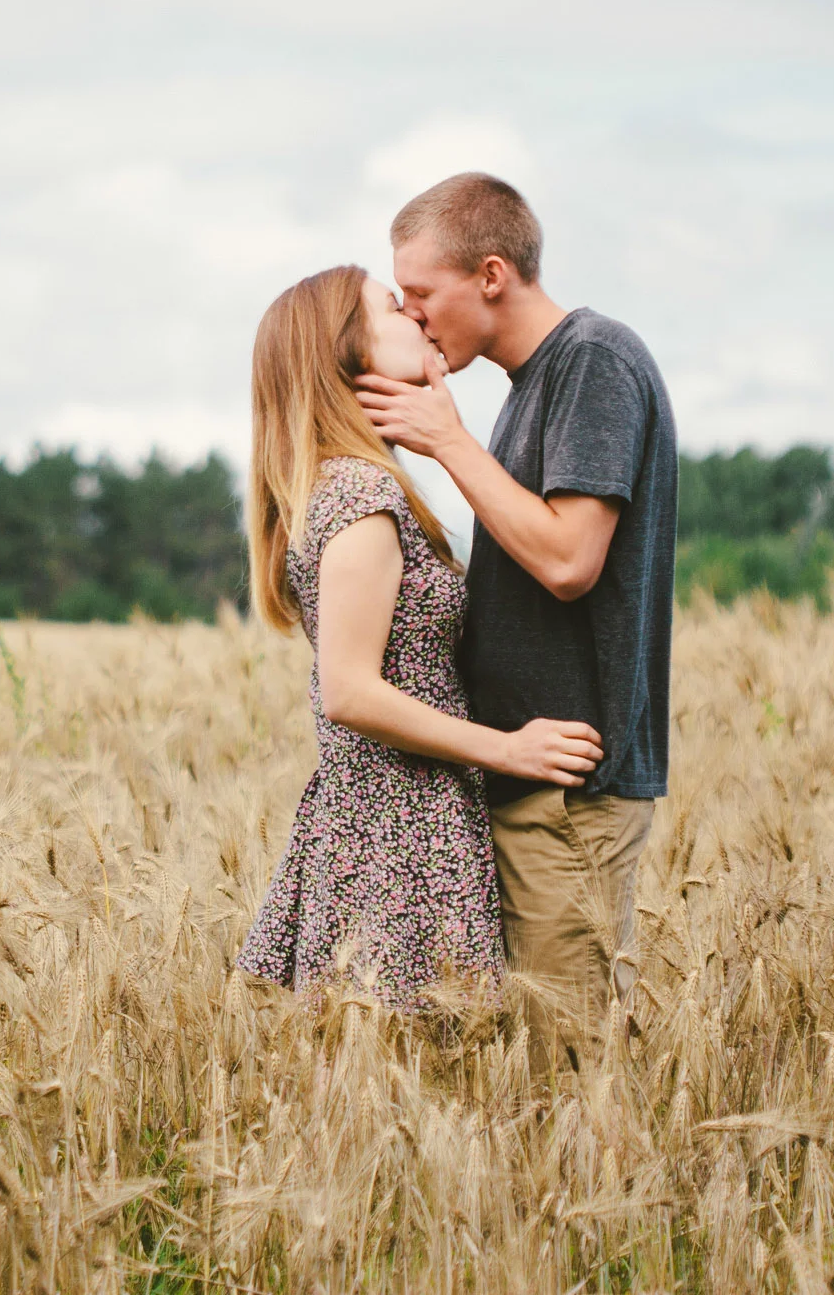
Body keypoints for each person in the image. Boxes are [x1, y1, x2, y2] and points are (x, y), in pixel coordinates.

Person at [356, 173, 677, 1065]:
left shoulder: (595, 361)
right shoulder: (533, 385)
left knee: (569, 1077)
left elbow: (571, 561)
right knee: (533, 1074)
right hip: (527, 781)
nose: (414, 319)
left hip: (569, 788)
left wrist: (447, 441)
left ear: (491, 274)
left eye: (422, 296)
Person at [233, 264, 604, 1012]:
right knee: (415, 1072)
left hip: (399, 816)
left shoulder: (349, 489)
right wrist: (508, 748)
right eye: (390, 309)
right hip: (398, 833)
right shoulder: (364, 501)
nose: (415, 315)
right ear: (350, 355)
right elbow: (349, 691)